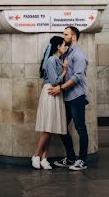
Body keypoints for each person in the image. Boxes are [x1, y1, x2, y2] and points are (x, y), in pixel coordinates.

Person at [49, 26, 89, 171]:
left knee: (80, 128)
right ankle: (71, 157)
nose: (63, 36)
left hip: (77, 96)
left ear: (73, 37)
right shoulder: (67, 54)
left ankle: (82, 160)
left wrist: (60, 88)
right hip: (67, 97)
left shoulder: (78, 54)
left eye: (65, 34)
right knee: (61, 128)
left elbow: (77, 77)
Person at [31, 36, 68, 170]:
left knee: (50, 127)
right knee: (48, 128)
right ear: (58, 46)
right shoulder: (52, 60)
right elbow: (54, 81)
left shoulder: (57, 60)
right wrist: (64, 71)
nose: (65, 47)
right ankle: (36, 155)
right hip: (51, 92)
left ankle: (44, 158)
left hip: (55, 93)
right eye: (63, 45)